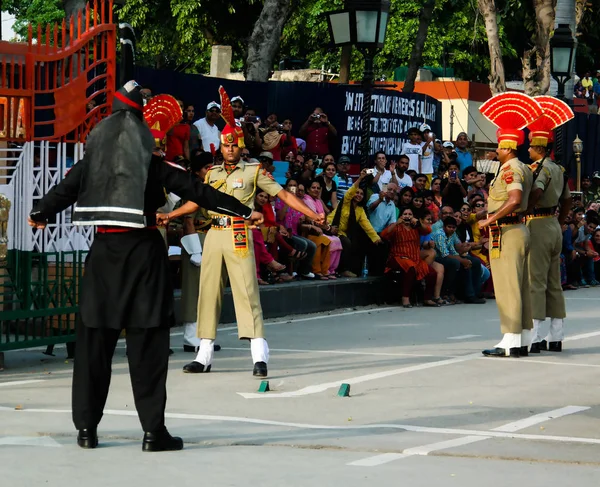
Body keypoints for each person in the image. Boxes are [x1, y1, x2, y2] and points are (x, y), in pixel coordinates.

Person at [27, 83, 262, 451]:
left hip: (104, 257)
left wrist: (39, 213)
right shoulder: (154, 165)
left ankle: (86, 431)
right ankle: (154, 432)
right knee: (147, 346)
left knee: (93, 346)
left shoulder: (93, 164)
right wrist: (246, 210)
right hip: (145, 260)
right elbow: (197, 191)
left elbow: (61, 191)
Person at [161, 87, 324, 378]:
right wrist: (170, 214)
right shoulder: (211, 173)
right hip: (213, 233)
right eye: (225, 146)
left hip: (239, 233)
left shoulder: (253, 171)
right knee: (207, 293)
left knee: (246, 293)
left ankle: (259, 355)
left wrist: (313, 213)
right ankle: (204, 355)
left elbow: (283, 195)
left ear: (240, 146)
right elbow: (198, 201)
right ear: (220, 148)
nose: (230, 149)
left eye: (234, 145)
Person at [478, 92, 540, 358]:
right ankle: (523, 337)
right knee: (521, 285)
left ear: (507, 146)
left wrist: (490, 218)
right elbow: (531, 196)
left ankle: (510, 340)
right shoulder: (525, 167)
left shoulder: (510, 169)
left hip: (507, 230)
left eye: (499, 147)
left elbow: (514, 199)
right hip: (518, 228)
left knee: (508, 285)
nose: (496, 150)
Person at [525, 96, 574, 353]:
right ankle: (556, 336)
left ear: (538, 146)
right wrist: (561, 222)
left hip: (539, 224)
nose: (529, 149)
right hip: (554, 224)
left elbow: (536, 191)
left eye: (531, 145)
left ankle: (534, 337)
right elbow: (567, 201)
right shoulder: (559, 169)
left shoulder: (540, 168)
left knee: (536, 281)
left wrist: (527, 209)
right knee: (555, 283)